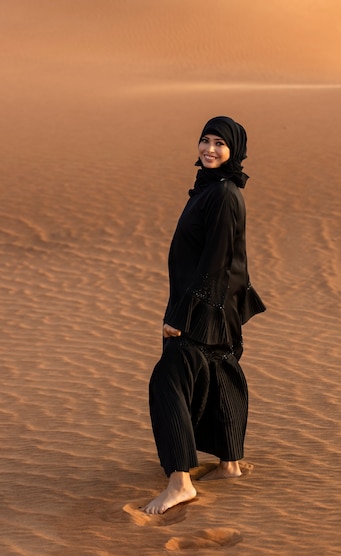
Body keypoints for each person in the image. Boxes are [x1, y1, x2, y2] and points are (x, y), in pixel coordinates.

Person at [143, 116, 266, 515]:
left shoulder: (225, 194)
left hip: (204, 304)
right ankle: (229, 464)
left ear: (234, 151)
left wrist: (181, 312)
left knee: (169, 380)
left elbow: (216, 260)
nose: (209, 149)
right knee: (218, 370)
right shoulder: (210, 188)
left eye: (219, 144)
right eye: (205, 140)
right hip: (212, 302)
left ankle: (179, 482)